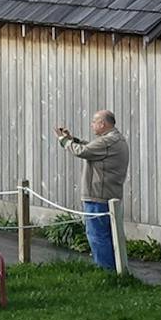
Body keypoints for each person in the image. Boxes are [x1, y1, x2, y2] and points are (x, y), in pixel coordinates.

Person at [54, 110, 130, 269]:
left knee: (97, 236)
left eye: (94, 121)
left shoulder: (107, 141)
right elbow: (90, 146)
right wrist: (72, 139)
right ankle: (116, 271)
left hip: (98, 196)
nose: (92, 124)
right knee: (109, 236)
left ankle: (106, 272)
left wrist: (63, 140)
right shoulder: (114, 139)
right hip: (109, 196)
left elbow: (83, 151)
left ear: (103, 124)